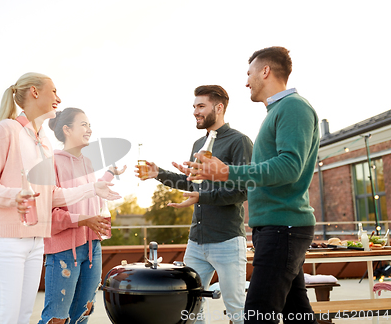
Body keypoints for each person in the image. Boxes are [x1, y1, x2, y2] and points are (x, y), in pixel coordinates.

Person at [184, 47, 320, 324]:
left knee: (258, 313)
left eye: (250, 74)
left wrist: (226, 172)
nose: (247, 82)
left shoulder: (293, 107)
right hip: (276, 226)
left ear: (265, 71)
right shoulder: (277, 111)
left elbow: (289, 167)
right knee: (297, 314)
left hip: (284, 228)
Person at [0, 73, 121, 324]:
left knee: (21, 317)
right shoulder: (6, 130)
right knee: (4, 318)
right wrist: (14, 196)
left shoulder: (43, 141)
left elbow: (52, 196)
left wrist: (93, 189)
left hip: (35, 242)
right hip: (4, 241)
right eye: (53, 91)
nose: (58, 98)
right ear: (34, 92)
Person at [136, 85, 253, 324]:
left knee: (236, 309)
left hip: (227, 241)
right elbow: (192, 184)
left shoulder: (239, 141)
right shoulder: (198, 144)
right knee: (189, 307)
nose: (195, 112)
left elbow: (241, 191)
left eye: (201, 106)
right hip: (196, 243)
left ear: (219, 108)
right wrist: (158, 173)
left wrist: (203, 197)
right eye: (194, 107)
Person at [38, 108, 126, 324]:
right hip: (64, 252)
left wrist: (110, 173)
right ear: (67, 129)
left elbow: (89, 193)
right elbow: (47, 211)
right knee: (56, 319)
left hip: (92, 248)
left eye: (89, 125)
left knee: (81, 316)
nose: (89, 129)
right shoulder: (51, 162)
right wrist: (83, 220)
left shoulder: (87, 162)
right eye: (84, 124)